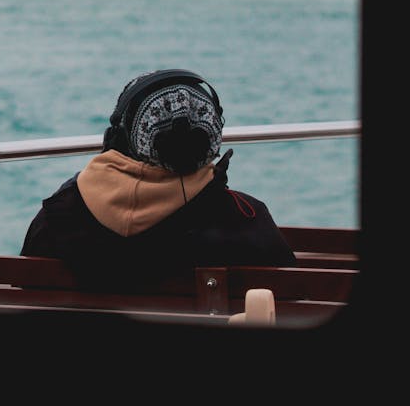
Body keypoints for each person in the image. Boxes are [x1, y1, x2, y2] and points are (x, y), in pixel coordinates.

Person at [20, 69, 296, 284]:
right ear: (212, 136)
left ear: (121, 137)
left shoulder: (56, 217)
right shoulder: (247, 220)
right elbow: (292, 297)